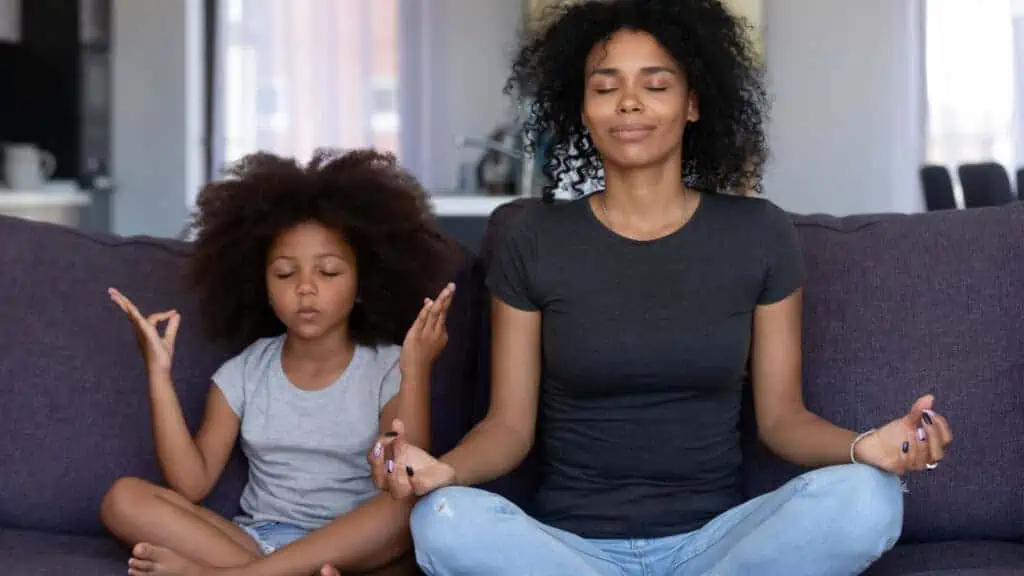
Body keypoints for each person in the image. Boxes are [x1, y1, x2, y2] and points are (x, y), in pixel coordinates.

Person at [371, 1, 955, 575]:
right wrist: (444, 471)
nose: (629, 102)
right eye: (605, 87)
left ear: (693, 102)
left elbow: (782, 419)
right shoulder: (535, 238)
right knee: (442, 518)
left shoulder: (759, 232)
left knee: (868, 499)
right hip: (568, 550)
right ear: (582, 108)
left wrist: (869, 447)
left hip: (718, 545)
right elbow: (507, 428)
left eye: (655, 84)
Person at [100, 148, 457, 576]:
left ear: (363, 284)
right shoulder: (244, 373)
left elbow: (404, 470)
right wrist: (157, 374)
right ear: (263, 286)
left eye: (328, 272)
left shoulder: (388, 365)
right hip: (259, 541)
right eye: (286, 274)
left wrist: (415, 370)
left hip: (353, 546)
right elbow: (190, 483)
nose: (305, 288)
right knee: (123, 498)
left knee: (405, 506)